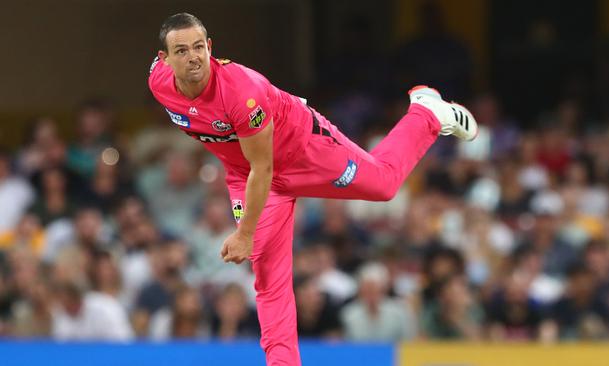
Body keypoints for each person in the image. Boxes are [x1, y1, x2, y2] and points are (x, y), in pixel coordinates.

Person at [148, 13, 477, 366]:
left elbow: (265, 166)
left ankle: (426, 112)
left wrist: (244, 233)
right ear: (165, 59)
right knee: (267, 275)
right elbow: (252, 168)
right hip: (248, 175)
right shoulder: (158, 82)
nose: (193, 57)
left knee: (384, 185)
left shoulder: (243, 92)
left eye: (199, 47)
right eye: (181, 51)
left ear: (210, 47)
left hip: (304, 150)